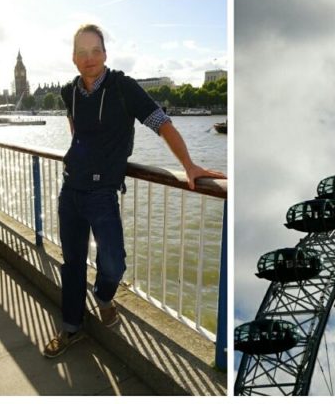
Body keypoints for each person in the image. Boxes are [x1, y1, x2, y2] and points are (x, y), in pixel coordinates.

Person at [43, 24, 227, 358]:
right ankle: (71, 328)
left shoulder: (123, 88)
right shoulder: (68, 91)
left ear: (105, 54)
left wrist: (189, 165)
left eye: (95, 51)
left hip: (102, 193)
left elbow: (161, 123)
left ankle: (103, 298)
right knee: (72, 264)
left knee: (113, 264)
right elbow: (76, 126)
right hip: (70, 189)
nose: (89, 59)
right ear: (73, 58)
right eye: (82, 53)